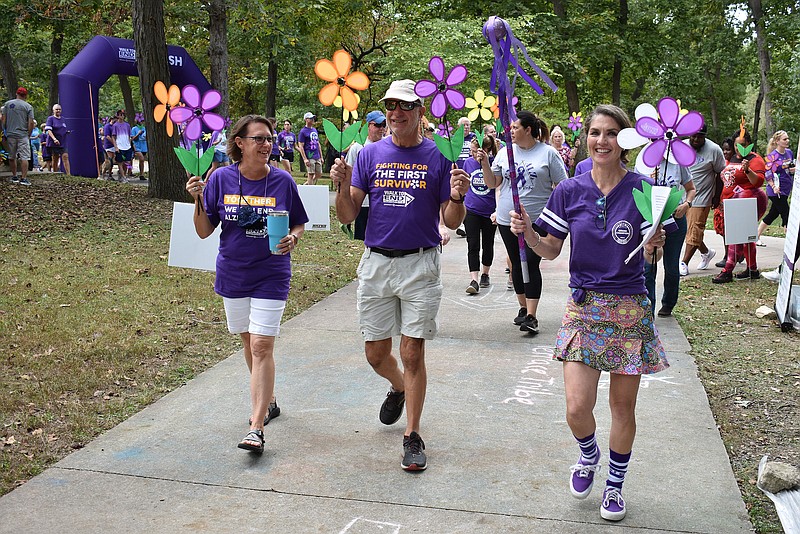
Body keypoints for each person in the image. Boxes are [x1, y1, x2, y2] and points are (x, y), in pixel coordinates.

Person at [510, 104, 669, 523]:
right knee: (576, 409)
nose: (601, 140)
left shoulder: (644, 191)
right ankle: (588, 454)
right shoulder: (569, 191)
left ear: (625, 142)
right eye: (595, 132)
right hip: (583, 308)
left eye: (611, 133)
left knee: (622, 407)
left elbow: (650, 254)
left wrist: (654, 245)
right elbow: (549, 249)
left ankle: (614, 486)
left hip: (629, 309)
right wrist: (528, 232)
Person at [330, 79, 469, 472]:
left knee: (412, 351)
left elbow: (451, 219)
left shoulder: (439, 156)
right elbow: (348, 215)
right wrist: (340, 186)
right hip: (376, 264)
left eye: (404, 106)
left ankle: (413, 435)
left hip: (420, 265)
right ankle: (399, 387)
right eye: (390, 106)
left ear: (420, 111)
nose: (395, 113)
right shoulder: (370, 154)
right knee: (376, 354)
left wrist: (457, 196)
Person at [185, 114, 309, 454]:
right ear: (240, 143)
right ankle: (268, 400)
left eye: (269, 138)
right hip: (233, 272)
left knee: (261, 346)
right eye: (259, 138)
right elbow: (203, 230)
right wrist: (196, 198)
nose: (267, 144)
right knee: (247, 340)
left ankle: (256, 426)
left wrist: (294, 239)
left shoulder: (283, 181)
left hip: (272, 272)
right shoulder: (221, 179)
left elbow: (298, 223)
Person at [480, 111, 568, 333]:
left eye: (515, 127)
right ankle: (522, 308)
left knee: (530, 262)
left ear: (528, 130)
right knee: (516, 264)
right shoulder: (504, 153)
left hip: (537, 220)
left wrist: (559, 215)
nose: (511, 131)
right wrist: (484, 164)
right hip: (506, 219)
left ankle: (532, 315)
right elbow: (493, 184)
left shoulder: (548, 153)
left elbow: (563, 186)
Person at [712, 130, 767, 283]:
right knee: (746, 236)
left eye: (742, 145)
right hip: (732, 202)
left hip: (749, 199)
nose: (738, 148)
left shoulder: (755, 159)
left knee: (737, 234)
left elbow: (758, 182)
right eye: (736, 145)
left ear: (749, 144)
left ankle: (727, 270)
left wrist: (748, 170)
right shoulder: (732, 158)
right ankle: (752, 269)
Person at [644, 160, 695, 317]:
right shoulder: (644, 161)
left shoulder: (679, 162)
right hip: (651, 218)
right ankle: (648, 306)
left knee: (671, 266)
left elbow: (691, 189)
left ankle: (668, 303)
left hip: (675, 219)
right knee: (649, 266)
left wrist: (687, 204)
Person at [680, 123, 726, 275]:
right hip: (682, 195)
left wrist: (716, 196)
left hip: (702, 196)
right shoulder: (680, 146)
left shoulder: (714, 150)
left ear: (704, 136)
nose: (695, 139)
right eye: (693, 135)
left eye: (699, 136)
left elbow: (720, 174)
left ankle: (683, 263)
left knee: (695, 229)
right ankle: (706, 252)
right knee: (688, 229)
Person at [463, 134, 499, 294]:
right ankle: (474, 278)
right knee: (472, 244)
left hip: (489, 210)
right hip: (471, 209)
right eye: (471, 151)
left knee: (487, 243)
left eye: (475, 151)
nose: (473, 154)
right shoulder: (468, 163)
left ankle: (485, 273)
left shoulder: (495, 163)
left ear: (487, 150)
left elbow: (497, 187)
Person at [344, 110, 386, 241]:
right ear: (368, 126)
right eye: (377, 125)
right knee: (364, 239)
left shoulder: (388, 145)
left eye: (384, 125)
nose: (381, 129)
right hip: (363, 203)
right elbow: (348, 173)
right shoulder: (357, 147)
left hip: (381, 202)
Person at [757, 130, 795, 245]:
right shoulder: (772, 156)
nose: (787, 141)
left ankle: (756, 235)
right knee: (786, 214)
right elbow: (767, 173)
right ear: (777, 141)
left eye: (787, 138)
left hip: (786, 188)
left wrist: (793, 170)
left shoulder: (789, 153)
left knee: (773, 213)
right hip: (776, 191)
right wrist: (773, 186)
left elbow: (790, 168)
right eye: (784, 139)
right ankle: (791, 242)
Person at [1, 87, 35, 185]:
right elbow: (31, 122)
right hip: (23, 135)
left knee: (12, 156)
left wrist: (5, 130)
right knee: (24, 156)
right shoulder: (28, 106)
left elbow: (3, 119)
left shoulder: (7, 104)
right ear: (25, 95)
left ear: (16, 94)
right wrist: (28, 134)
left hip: (10, 134)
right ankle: (24, 178)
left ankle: (14, 176)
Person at [45, 104, 71, 176]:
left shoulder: (63, 119)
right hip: (54, 142)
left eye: (59, 109)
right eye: (56, 109)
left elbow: (62, 128)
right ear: (53, 110)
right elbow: (49, 130)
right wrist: (54, 139)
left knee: (65, 156)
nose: (58, 111)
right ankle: (55, 173)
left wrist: (66, 132)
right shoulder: (50, 119)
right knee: (55, 157)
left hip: (63, 141)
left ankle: (69, 174)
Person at [297, 112, 322, 185]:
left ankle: (306, 185)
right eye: (310, 118)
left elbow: (318, 143)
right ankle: (310, 189)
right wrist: (305, 159)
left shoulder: (314, 130)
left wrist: (321, 156)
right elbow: (301, 146)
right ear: (306, 120)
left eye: (313, 118)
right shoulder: (303, 131)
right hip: (309, 155)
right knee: (310, 174)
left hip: (316, 155)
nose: (312, 120)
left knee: (319, 173)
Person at [111, 110, 133, 181]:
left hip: (127, 146)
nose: (122, 116)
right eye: (120, 114)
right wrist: (116, 147)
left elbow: (129, 136)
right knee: (120, 162)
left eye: (123, 114)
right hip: (119, 146)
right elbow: (113, 137)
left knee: (128, 162)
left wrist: (130, 145)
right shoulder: (115, 125)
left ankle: (125, 174)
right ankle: (123, 177)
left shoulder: (127, 125)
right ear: (117, 116)